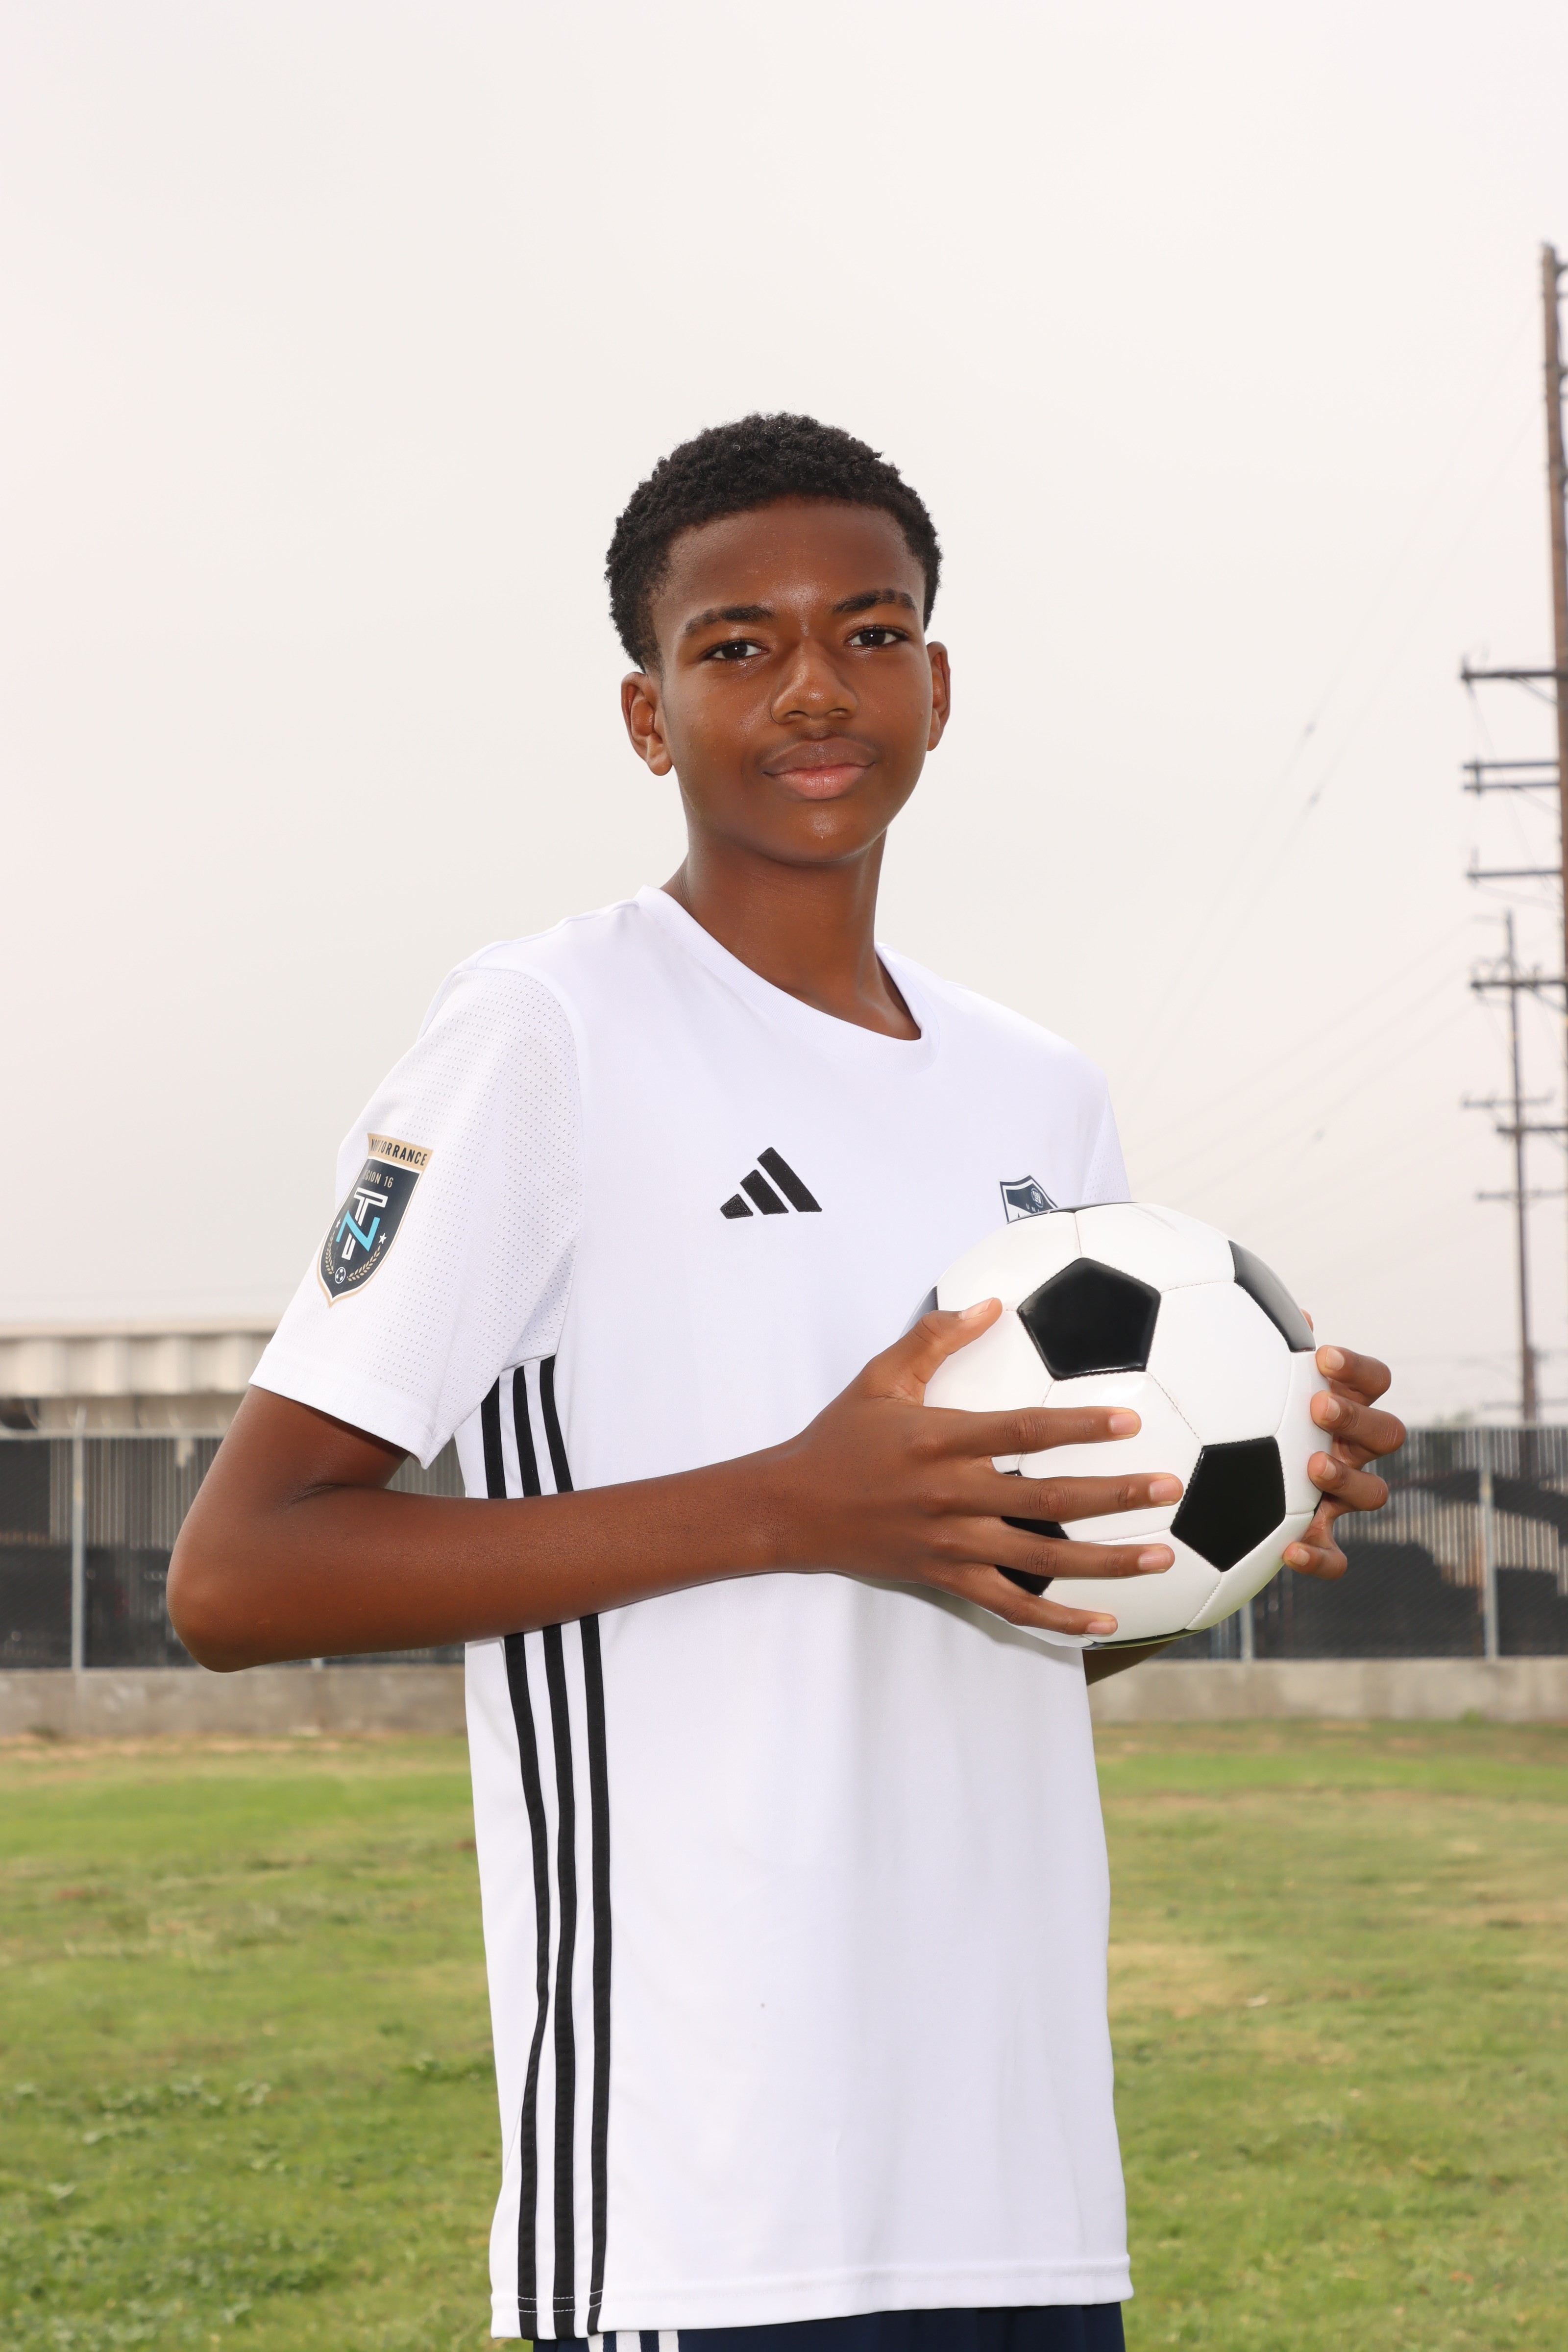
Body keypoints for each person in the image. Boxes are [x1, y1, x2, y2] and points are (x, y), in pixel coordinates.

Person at [169, 414, 1404, 2352]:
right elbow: (239, 1577)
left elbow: (978, 1621)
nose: (813, 687)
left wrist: (1209, 1532)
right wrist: (791, 1504)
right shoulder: (548, 1032)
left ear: (937, 685)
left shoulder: (1038, 1091)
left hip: (1020, 2192)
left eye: (868, 631)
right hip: (709, 2199)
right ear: (647, 716)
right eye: (736, 645)